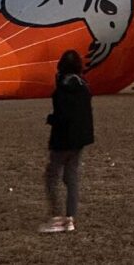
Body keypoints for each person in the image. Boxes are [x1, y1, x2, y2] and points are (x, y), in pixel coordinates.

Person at [40, 50, 94, 234]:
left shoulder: (63, 88)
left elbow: (63, 115)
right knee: (71, 178)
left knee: (51, 177)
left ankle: (56, 218)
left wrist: (51, 119)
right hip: (79, 140)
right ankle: (70, 218)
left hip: (63, 140)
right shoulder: (84, 86)